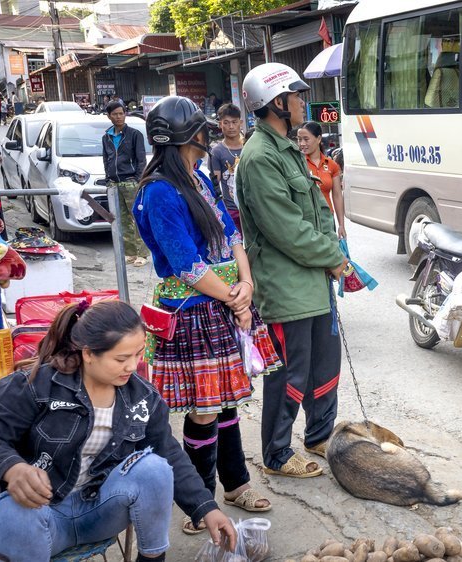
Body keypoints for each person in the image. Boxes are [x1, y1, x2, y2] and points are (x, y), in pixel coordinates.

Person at [0, 300, 239, 561]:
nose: (132, 366)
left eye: (138, 354)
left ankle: (153, 558)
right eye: (121, 358)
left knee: (155, 468)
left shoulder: (143, 397)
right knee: (12, 511)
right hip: (43, 517)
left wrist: (206, 508)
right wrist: (13, 468)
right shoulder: (35, 386)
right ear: (88, 353)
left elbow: (169, 452)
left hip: (100, 510)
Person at [133, 95, 282, 534]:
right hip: (194, 311)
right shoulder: (159, 191)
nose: (208, 135)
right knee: (203, 409)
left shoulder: (197, 178)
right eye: (202, 130)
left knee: (226, 403)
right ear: (191, 135)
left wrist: (246, 285)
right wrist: (235, 298)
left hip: (221, 303)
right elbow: (185, 264)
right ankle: (201, 502)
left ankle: (235, 485)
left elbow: (232, 235)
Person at [237, 63, 348, 478]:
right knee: (289, 374)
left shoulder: (287, 148)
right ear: (277, 103)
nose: (303, 102)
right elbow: (286, 228)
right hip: (287, 288)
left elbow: (315, 212)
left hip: (313, 281)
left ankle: (319, 434)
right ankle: (277, 453)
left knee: (324, 365)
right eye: (297, 96)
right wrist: (333, 256)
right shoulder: (260, 157)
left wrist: (332, 255)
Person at [102, 100, 150, 266]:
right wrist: (108, 178)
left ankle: (143, 254)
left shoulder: (135, 134)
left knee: (138, 217)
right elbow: (106, 159)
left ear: (125, 114)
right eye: (115, 114)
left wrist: (137, 179)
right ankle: (130, 253)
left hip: (131, 182)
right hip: (114, 184)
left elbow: (141, 160)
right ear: (109, 116)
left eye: (121, 113)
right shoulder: (106, 137)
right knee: (122, 220)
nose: (119, 117)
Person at [296, 121, 346, 238]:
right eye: (299, 139)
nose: (302, 143)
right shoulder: (297, 164)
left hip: (327, 220)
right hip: (306, 222)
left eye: (306, 139)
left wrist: (341, 225)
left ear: (318, 139)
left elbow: (337, 196)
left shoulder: (332, 165)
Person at [209, 103, 244, 232]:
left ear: (240, 122)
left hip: (252, 207)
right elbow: (215, 183)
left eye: (234, 122)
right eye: (226, 123)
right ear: (220, 124)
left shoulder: (249, 146)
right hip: (231, 210)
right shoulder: (216, 152)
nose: (231, 127)